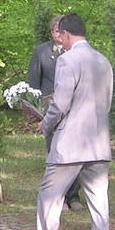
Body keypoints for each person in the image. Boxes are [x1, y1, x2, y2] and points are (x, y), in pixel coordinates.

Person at [20, 13, 114, 230]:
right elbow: (107, 103)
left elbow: (60, 104)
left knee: (49, 198)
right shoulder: (103, 61)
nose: (59, 39)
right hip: (98, 143)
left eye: (60, 34)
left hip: (70, 144)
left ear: (67, 34)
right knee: (100, 206)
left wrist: (45, 124)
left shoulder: (67, 60)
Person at [27, 15, 82, 210]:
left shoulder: (75, 52)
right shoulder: (41, 51)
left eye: (62, 30)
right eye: (56, 31)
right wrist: (36, 110)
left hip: (74, 109)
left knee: (75, 153)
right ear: (52, 33)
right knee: (55, 152)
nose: (59, 34)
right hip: (51, 109)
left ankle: (73, 196)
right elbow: (34, 84)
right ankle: (59, 197)